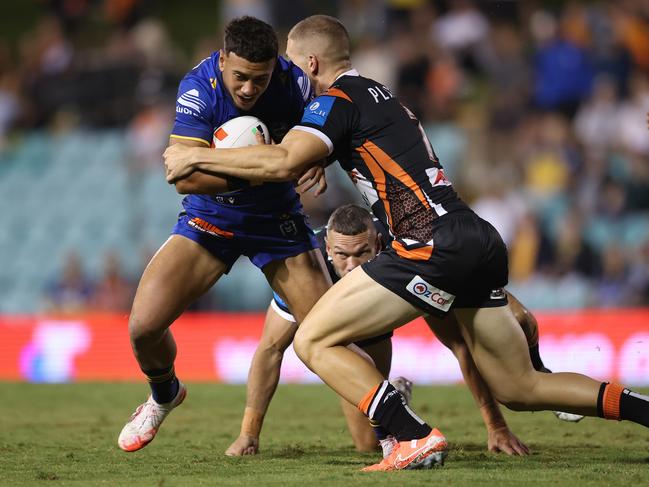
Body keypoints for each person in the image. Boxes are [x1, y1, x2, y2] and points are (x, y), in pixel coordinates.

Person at [164, 15, 649, 471]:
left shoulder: (334, 101)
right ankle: (642, 410)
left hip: (426, 243)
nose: (292, 74)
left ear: (310, 63)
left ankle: (411, 434)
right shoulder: (381, 94)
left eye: (294, 63)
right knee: (520, 387)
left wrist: (197, 161)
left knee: (312, 339)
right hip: (474, 235)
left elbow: (281, 164)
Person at [117, 16, 333, 453]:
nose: (250, 89)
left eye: (260, 79)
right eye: (240, 77)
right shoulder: (198, 88)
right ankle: (164, 394)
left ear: (276, 67)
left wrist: (318, 156)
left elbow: (326, 130)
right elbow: (186, 180)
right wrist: (261, 171)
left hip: (277, 222)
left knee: (330, 333)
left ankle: (391, 420)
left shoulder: (296, 85)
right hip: (210, 218)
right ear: (221, 61)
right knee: (143, 328)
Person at [226, 203, 580, 458]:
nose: (350, 268)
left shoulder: (404, 257)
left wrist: (496, 426)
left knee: (517, 316)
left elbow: (460, 346)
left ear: (378, 244)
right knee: (367, 444)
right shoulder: (307, 271)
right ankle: (396, 398)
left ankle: (540, 369)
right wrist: (248, 434)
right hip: (342, 345)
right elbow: (270, 350)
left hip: (382, 323)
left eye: (361, 254)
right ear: (327, 249)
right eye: (341, 256)